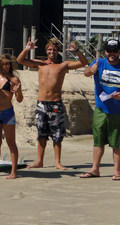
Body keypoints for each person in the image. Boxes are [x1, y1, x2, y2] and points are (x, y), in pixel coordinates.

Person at [17, 37, 88, 170]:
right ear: (46, 50)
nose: (52, 52)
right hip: (41, 104)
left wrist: (77, 50)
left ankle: (57, 162)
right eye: (49, 49)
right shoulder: (40, 64)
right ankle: (39, 161)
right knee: (41, 134)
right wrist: (27, 48)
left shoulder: (63, 65)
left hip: (56, 104)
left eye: (54, 50)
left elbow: (84, 63)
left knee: (57, 134)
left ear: (58, 51)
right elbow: (20, 60)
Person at [80, 39, 120, 180]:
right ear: (105, 51)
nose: (111, 53)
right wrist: (91, 70)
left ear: (119, 51)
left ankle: (117, 171)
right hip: (101, 108)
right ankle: (95, 169)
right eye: (109, 50)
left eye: (115, 50)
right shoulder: (99, 63)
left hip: (118, 111)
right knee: (98, 139)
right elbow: (86, 73)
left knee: (117, 141)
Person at [0, 54, 23, 178]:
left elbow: (19, 99)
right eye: (3, 64)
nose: (5, 66)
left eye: (7, 64)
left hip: (7, 113)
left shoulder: (14, 80)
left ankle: (14, 172)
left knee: (11, 143)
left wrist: (18, 92)